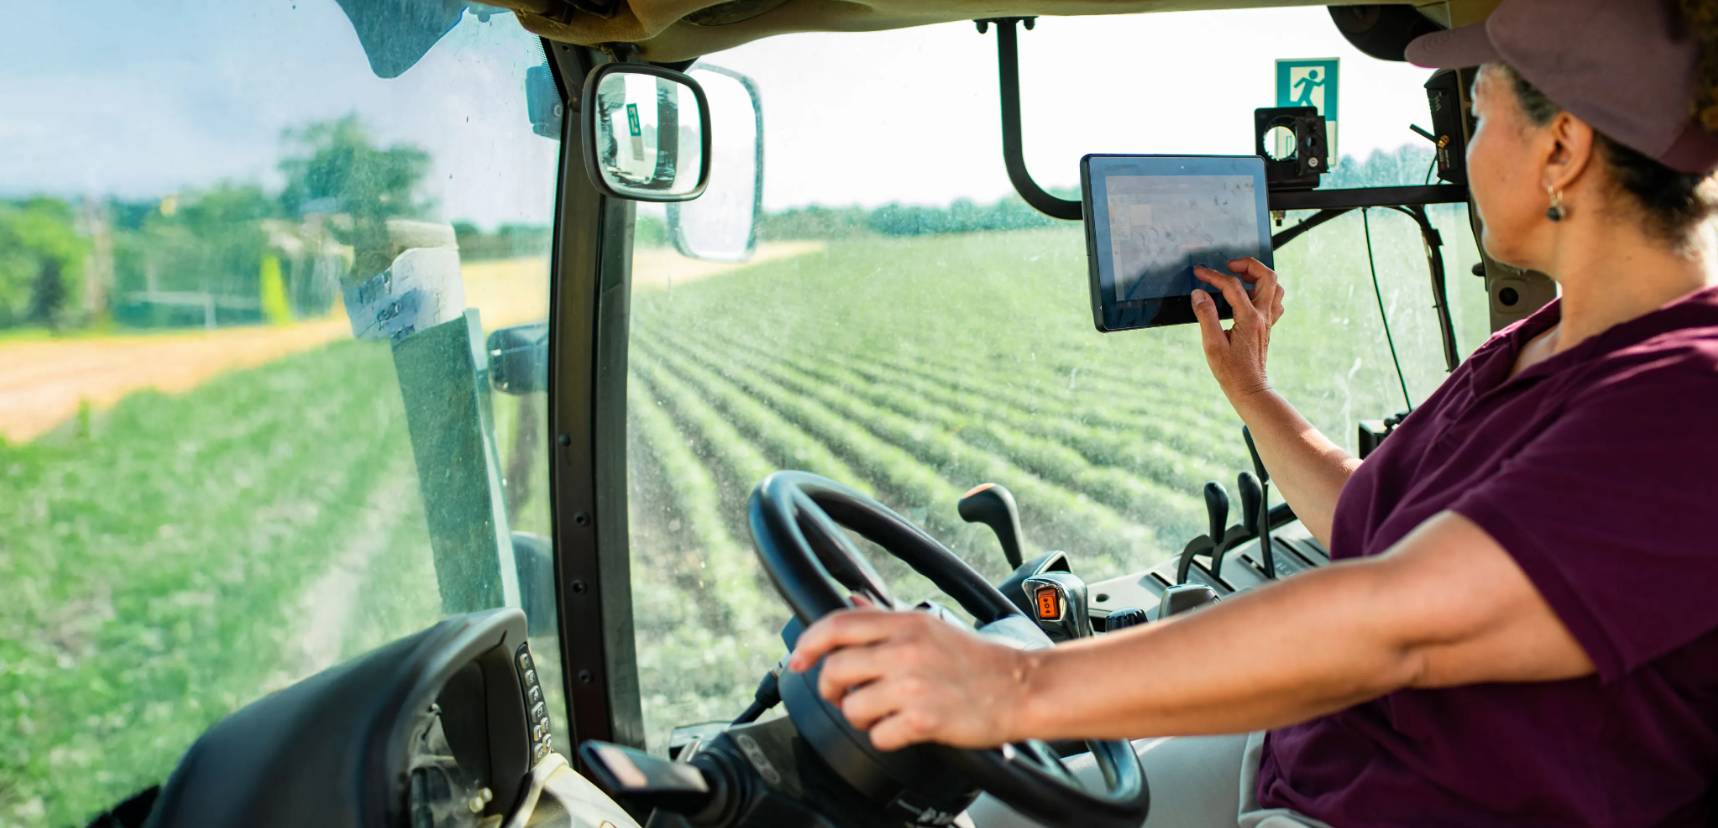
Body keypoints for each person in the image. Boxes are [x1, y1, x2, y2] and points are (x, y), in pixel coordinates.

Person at [788, 0, 1718, 824]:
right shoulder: (1544, 341)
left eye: (1476, 117)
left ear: (1562, 149)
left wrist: (1013, 685)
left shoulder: (1687, 403)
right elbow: (1378, 531)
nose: (1461, 152)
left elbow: (1401, 620)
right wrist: (1250, 388)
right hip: (1315, 757)